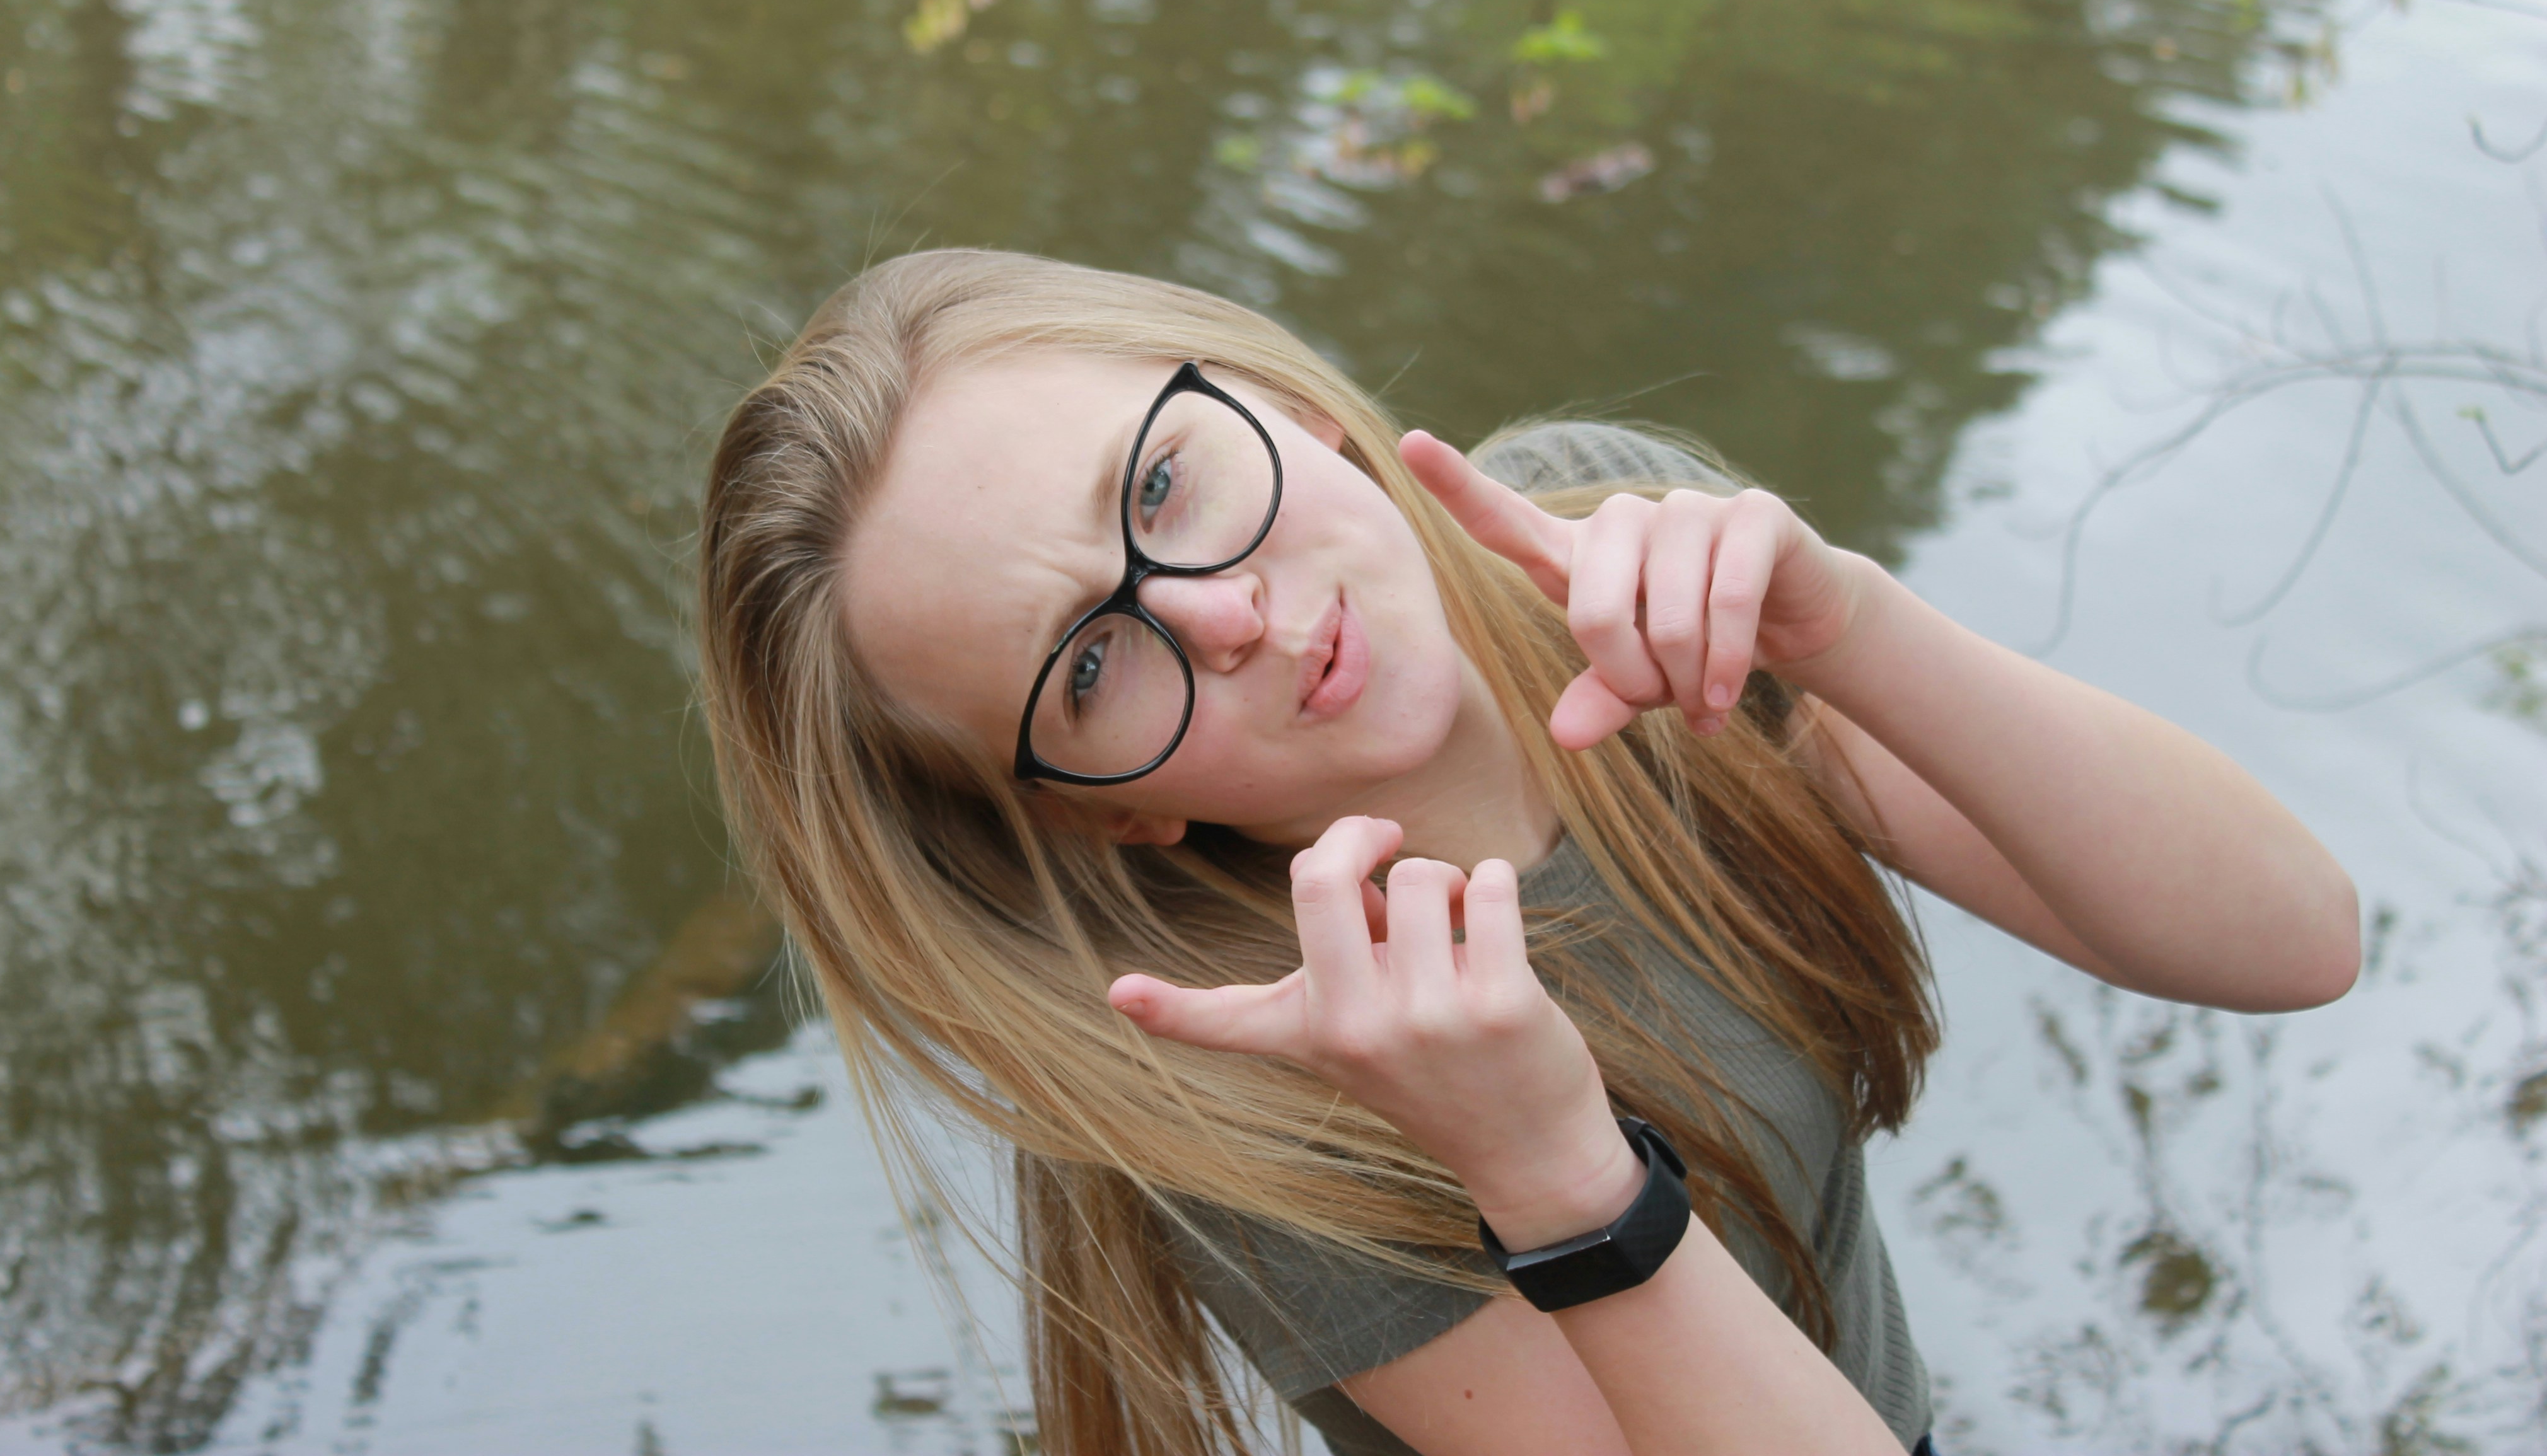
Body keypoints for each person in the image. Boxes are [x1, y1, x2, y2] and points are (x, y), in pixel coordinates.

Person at [695, 248, 2358, 1456]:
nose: (1228, 615)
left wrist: (1846, 623)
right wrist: (1553, 1173)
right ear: (1100, 807)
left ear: (1279, 400)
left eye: (1167, 482)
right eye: (1091, 664)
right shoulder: (1260, 1089)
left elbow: (2290, 943)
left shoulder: (1596, 556)